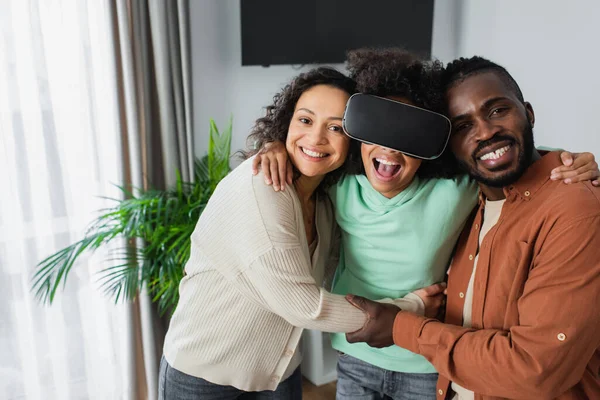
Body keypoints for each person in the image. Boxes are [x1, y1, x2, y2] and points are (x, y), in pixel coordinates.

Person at [251, 49, 600, 400]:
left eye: (407, 136)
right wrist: (274, 146)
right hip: (356, 354)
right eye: (379, 130)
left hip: (424, 364)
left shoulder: (454, 190)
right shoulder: (341, 185)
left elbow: (507, 161)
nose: (389, 148)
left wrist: (566, 161)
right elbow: (309, 158)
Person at [158, 66, 442, 400]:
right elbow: (304, 306)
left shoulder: (324, 200)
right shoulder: (261, 188)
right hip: (204, 375)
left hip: (278, 372)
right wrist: (408, 308)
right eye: (305, 120)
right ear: (287, 123)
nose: (317, 138)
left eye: (335, 127)